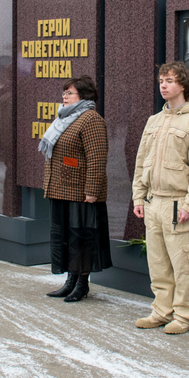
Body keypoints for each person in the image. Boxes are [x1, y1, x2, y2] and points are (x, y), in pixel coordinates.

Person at [131, 61, 189, 334]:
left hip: (178, 204)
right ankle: (162, 311)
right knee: (158, 263)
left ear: (183, 85)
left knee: (184, 264)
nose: (163, 85)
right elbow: (141, 162)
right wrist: (138, 198)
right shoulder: (154, 121)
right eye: (161, 81)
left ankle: (185, 316)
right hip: (154, 203)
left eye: (169, 80)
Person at [39, 76, 112, 302]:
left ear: (85, 96)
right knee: (66, 238)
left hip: (82, 193)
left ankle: (82, 284)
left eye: (70, 93)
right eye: (64, 92)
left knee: (81, 238)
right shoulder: (64, 118)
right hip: (60, 189)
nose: (65, 96)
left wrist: (91, 190)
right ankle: (70, 281)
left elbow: (97, 159)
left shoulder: (91, 119)